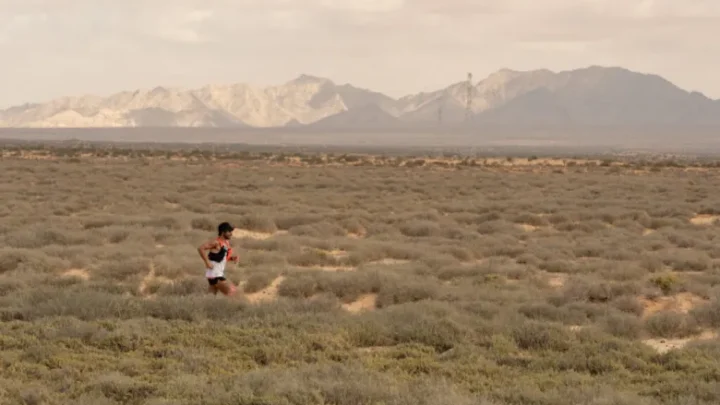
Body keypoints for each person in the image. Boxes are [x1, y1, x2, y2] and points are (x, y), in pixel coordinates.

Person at [197, 222, 239, 296]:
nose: (231, 234)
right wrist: (207, 262)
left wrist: (232, 258)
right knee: (233, 292)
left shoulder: (225, 243)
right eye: (229, 232)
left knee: (210, 299)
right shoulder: (216, 243)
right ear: (223, 232)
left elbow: (220, 257)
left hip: (215, 275)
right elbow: (201, 248)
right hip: (215, 275)